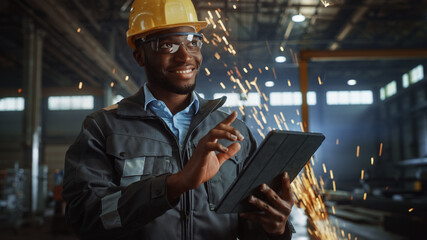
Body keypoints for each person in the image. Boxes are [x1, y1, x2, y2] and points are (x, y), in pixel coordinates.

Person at [62, 0, 295, 239]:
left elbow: (247, 224)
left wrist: (274, 229)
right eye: (168, 45)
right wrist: (174, 185)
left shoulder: (233, 130)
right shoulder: (103, 128)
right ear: (139, 55)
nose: (185, 57)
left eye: (193, 43)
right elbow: (85, 217)